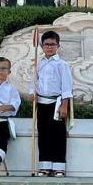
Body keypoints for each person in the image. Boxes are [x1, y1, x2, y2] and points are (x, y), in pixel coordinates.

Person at [32, 30, 73, 176]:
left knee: (58, 135)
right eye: (46, 44)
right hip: (42, 103)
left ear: (58, 46)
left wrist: (64, 105)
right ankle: (44, 165)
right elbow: (35, 81)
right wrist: (34, 95)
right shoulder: (38, 64)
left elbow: (67, 87)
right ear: (42, 46)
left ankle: (59, 167)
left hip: (56, 104)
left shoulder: (62, 65)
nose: (49, 47)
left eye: (52, 44)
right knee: (43, 134)